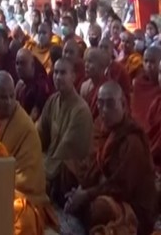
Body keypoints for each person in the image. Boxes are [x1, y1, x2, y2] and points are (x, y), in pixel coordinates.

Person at [65, 82, 156, 235]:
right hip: (110, 190)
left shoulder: (132, 140)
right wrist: (82, 189)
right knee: (67, 170)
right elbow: (95, 165)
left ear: (123, 104)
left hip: (134, 207)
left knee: (99, 208)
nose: (104, 110)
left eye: (110, 104)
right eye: (100, 104)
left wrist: (87, 195)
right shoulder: (106, 129)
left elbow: (122, 187)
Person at [0, 71, 58, 235]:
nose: (8, 102)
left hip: (17, 193)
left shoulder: (25, 127)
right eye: (3, 97)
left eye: (12, 96)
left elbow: (27, 179)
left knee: (22, 218)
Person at [37, 58, 92, 207]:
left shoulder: (81, 110)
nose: (58, 77)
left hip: (68, 172)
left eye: (63, 73)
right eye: (55, 72)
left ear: (73, 76)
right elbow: (39, 133)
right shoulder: (53, 101)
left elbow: (66, 153)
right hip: (51, 163)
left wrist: (39, 169)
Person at [15, 48, 54, 121]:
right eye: (17, 63)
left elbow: (34, 117)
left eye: (22, 63)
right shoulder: (20, 84)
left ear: (32, 65)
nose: (19, 67)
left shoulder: (41, 86)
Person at [131, 46, 161, 130]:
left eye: (152, 62)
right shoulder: (138, 83)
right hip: (138, 131)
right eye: (146, 61)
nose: (148, 65)